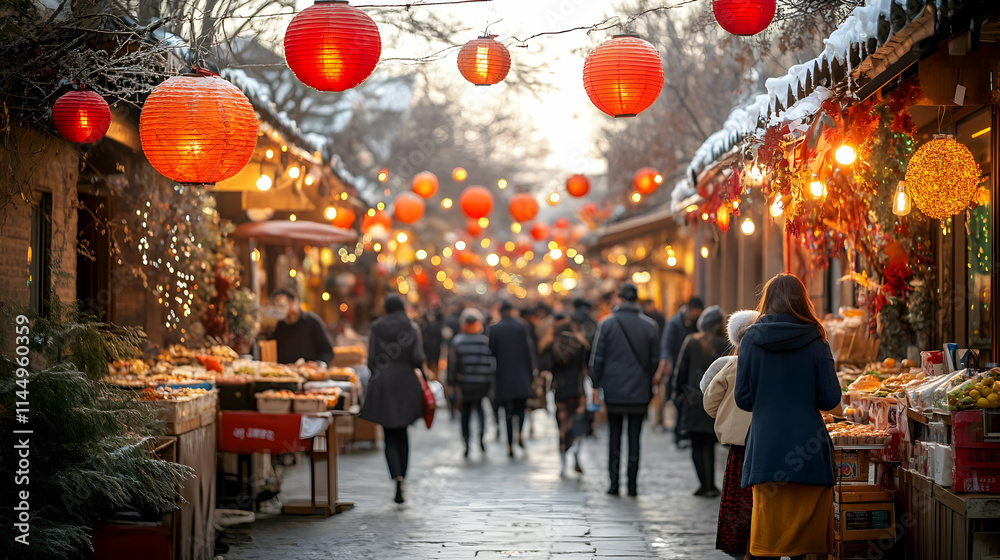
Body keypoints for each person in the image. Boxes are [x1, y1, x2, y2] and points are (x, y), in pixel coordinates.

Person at [735, 273, 841, 559]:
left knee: (766, 543)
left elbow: (742, 399)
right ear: (803, 301)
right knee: (805, 547)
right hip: (809, 452)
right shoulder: (816, 337)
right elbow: (831, 398)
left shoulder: (750, 339)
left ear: (767, 300)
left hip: (766, 453)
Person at [589, 283, 660, 496]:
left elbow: (597, 359)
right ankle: (632, 485)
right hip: (640, 391)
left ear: (619, 299)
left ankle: (613, 483)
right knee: (635, 438)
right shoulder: (650, 325)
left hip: (613, 391)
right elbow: (654, 361)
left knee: (614, 436)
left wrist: (595, 385)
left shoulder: (607, 324)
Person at [701, 310, 759, 559]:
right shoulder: (773, 364)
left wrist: (727, 416)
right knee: (763, 499)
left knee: (739, 499)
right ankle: (761, 544)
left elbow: (709, 403)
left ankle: (740, 546)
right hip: (768, 444)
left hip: (739, 446)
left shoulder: (731, 365)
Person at [359, 295, 426, 504]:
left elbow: (371, 359)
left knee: (389, 434)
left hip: (383, 382)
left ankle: (395, 476)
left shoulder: (376, 327)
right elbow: (417, 358)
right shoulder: (411, 327)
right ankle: (402, 477)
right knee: (402, 432)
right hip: (406, 382)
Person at [673, 305, 728, 497]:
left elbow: (680, 370)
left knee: (696, 444)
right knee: (709, 444)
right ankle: (710, 485)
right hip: (715, 401)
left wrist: (677, 392)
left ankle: (704, 484)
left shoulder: (691, 342)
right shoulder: (725, 344)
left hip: (693, 400)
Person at [539, 313, 589, 477]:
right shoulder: (580, 343)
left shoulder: (552, 343)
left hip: (560, 387)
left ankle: (563, 459)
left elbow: (546, 367)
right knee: (578, 421)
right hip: (577, 387)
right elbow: (586, 367)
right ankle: (576, 451)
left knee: (562, 423)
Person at [488, 300, 538, 458]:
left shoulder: (495, 329)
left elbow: (491, 352)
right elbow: (529, 351)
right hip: (521, 374)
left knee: (507, 412)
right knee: (521, 408)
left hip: (503, 375)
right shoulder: (521, 327)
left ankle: (510, 443)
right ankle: (520, 433)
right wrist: (532, 373)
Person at [447, 308, 496, 458]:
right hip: (481, 383)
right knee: (480, 410)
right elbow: (491, 363)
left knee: (465, 413)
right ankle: (481, 438)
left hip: (465, 384)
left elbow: (452, 366)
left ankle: (466, 441)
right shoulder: (485, 341)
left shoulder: (458, 341)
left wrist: (451, 384)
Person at [655, 297, 704, 435]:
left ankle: (685, 429)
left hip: (693, 367)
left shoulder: (698, 322)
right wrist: (665, 362)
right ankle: (678, 430)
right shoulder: (674, 322)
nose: (696, 315)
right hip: (676, 367)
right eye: (695, 312)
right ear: (689, 309)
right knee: (676, 397)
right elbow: (666, 344)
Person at [270, 287, 334, 366]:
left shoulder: (312, 321)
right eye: (276, 307)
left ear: (294, 302)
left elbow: (328, 351)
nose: (279, 311)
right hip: (286, 371)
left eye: (281, 306)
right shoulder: (280, 324)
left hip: (310, 371)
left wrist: (319, 364)